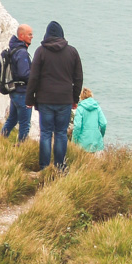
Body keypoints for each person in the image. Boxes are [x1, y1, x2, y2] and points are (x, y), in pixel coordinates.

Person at [24, 19, 83, 170]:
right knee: (61, 133)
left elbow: (34, 77)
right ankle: (60, 166)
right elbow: (78, 78)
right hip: (64, 100)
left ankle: (44, 166)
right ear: (62, 35)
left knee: (45, 133)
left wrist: (30, 99)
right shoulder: (72, 52)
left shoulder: (40, 51)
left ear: (47, 35)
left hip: (45, 100)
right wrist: (75, 99)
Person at [0, 23, 34, 141]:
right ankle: (21, 147)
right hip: (22, 93)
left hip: (14, 92)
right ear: (21, 35)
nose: (32, 36)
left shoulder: (14, 49)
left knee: (12, 120)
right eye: (29, 34)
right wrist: (35, 80)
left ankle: (1, 139)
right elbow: (24, 74)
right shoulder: (22, 52)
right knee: (25, 124)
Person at [71, 87, 107, 152]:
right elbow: (103, 123)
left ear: (81, 97)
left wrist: (74, 141)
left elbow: (77, 126)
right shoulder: (97, 107)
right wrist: (101, 135)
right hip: (96, 141)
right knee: (96, 162)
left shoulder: (80, 108)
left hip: (83, 142)